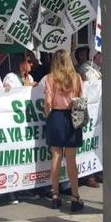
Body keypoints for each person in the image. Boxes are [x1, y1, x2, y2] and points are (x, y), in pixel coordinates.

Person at [44, 49, 87, 212]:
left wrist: (48, 115)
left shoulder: (50, 78)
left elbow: (48, 102)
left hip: (56, 116)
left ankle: (55, 195)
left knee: (55, 156)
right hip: (72, 117)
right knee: (71, 160)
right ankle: (75, 197)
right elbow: (81, 99)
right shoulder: (76, 78)